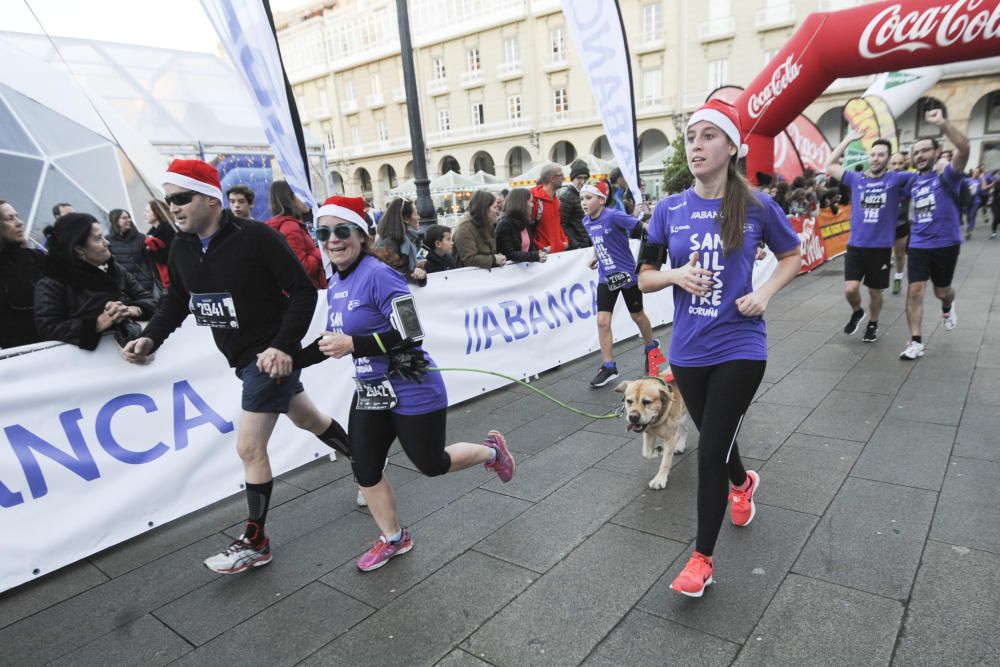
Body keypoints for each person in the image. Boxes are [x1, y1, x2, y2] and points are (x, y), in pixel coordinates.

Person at [120, 159, 348, 574]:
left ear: (210, 199)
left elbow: (303, 292)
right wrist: (150, 336)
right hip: (242, 359)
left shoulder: (256, 236)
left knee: (248, 447)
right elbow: (176, 300)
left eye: (181, 198)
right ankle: (367, 461)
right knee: (310, 418)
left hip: (269, 357)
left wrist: (281, 347)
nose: (173, 207)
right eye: (169, 200)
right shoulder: (182, 246)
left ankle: (256, 542)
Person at [297, 194, 516, 571]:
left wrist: (356, 344)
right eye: (324, 232)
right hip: (371, 388)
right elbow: (333, 339)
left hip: (411, 382)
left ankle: (492, 451)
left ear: (362, 235)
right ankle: (394, 538)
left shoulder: (378, 274)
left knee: (431, 464)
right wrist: (288, 361)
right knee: (364, 467)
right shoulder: (335, 283)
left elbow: (411, 333)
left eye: (342, 230)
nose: (333, 239)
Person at [637, 99, 801, 598]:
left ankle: (701, 561)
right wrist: (675, 275)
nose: (696, 146)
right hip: (688, 351)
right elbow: (644, 277)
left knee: (709, 450)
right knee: (716, 436)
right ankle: (742, 484)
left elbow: (793, 254)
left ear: (732, 147)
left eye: (709, 137)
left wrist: (764, 293)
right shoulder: (669, 209)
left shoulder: (755, 206)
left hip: (740, 346)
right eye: (691, 138)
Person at [825, 134, 914, 343]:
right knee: (850, 289)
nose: (875, 158)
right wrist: (846, 140)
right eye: (872, 155)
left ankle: (873, 323)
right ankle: (857, 312)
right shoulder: (856, 179)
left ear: (888, 158)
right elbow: (830, 164)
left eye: (881, 155)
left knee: (875, 292)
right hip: (856, 245)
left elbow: (923, 177)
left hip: (881, 248)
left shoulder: (896, 179)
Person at [900, 109, 970, 360]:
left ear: (937, 152)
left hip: (946, 243)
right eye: (916, 152)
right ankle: (916, 341)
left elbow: (963, 148)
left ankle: (948, 305)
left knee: (942, 291)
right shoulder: (911, 181)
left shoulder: (947, 175)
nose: (920, 155)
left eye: (925, 151)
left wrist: (942, 123)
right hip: (918, 243)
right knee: (915, 290)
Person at [34, 213, 155, 350]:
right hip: (89, 364)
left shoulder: (115, 269)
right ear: (79, 249)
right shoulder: (53, 283)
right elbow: (48, 328)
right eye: (98, 239)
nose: (107, 242)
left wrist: (133, 310)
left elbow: (149, 299)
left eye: (103, 236)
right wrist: (98, 323)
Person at [580, 179, 658, 386]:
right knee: (602, 320)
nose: (583, 203)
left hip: (626, 276)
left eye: (588, 198)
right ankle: (608, 366)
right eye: (582, 198)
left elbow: (643, 228)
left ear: (602, 200)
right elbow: (599, 242)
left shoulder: (614, 216)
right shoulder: (586, 222)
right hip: (606, 278)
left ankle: (651, 348)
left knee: (637, 316)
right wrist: (596, 256)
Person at [0, 200, 46, 349]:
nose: (20, 223)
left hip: (52, 345)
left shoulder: (37, 257)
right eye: (10, 218)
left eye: (17, 216)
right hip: (16, 356)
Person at [265, 180, 327, 289]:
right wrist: (320, 252)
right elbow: (303, 268)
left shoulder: (284, 225)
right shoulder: (290, 227)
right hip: (307, 292)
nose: (305, 200)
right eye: (301, 195)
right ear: (291, 199)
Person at [375, 198, 427, 285]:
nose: (419, 217)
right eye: (416, 214)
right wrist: (415, 274)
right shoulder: (387, 244)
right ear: (406, 219)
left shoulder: (409, 239)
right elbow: (389, 278)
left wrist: (420, 272)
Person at [107, 208, 156, 293]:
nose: (129, 220)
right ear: (115, 220)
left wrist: (148, 277)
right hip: (123, 286)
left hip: (144, 284)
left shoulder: (140, 237)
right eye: (124, 218)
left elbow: (149, 261)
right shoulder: (108, 240)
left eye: (129, 217)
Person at [453, 190, 505, 269]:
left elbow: (491, 252)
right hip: (470, 279)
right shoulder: (464, 229)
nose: (497, 211)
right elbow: (469, 260)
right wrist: (494, 259)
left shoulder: (488, 225)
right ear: (484, 209)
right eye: (494, 207)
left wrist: (498, 257)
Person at [496, 187, 548, 264]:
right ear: (522, 203)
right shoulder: (505, 224)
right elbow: (510, 254)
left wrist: (540, 253)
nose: (533, 205)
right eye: (531, 202)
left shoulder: (525, 222)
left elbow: (529, 248)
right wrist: (534, 256)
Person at [530, 163, 569, 253]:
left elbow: (558, 225)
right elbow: (527, 229)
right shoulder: (534, 199)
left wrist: (564, 241)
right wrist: (542, 248)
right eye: (561, 175)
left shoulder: (556, 199)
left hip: (558, 253)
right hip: (543, 256)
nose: (564, 178)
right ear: (552, 179)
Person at [888, 152, 912, 295]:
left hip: (901, 223)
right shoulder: (883, 179)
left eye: (899, 163)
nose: (897, 167)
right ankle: (880, 280)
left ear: (904, 164)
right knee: (881, 254)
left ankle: (898, 277)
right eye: (894, 163)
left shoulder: (909, 178)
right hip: (884, 225)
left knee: (899, 255)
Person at [143, 199, 177, 294]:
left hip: (174, 277)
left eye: (147, 211)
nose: (145, 214)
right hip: (161, 279)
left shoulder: (169, 230)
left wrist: (153, 250)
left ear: (157, 211)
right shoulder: (150, 234)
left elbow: (171, 256)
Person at [558, 160, 592, 249]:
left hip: (587, 244)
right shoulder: (566, 197)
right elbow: (562, 224)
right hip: (577, 248)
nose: (582, 181)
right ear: (573, 178)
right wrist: (576, 245)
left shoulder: (584, 194)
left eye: (585, 178)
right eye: (579, 178)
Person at [964, 167, 985, 240]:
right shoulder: (967, 180)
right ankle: (969, 226)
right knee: (968, 216)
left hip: (976, 201)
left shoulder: (980, 180)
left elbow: (983, 188)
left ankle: (969, 231)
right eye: (974, 171)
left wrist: (983, 178)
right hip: (968, 201)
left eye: (977, 172)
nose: (975, 173)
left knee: (972, 215)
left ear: (979, 173)